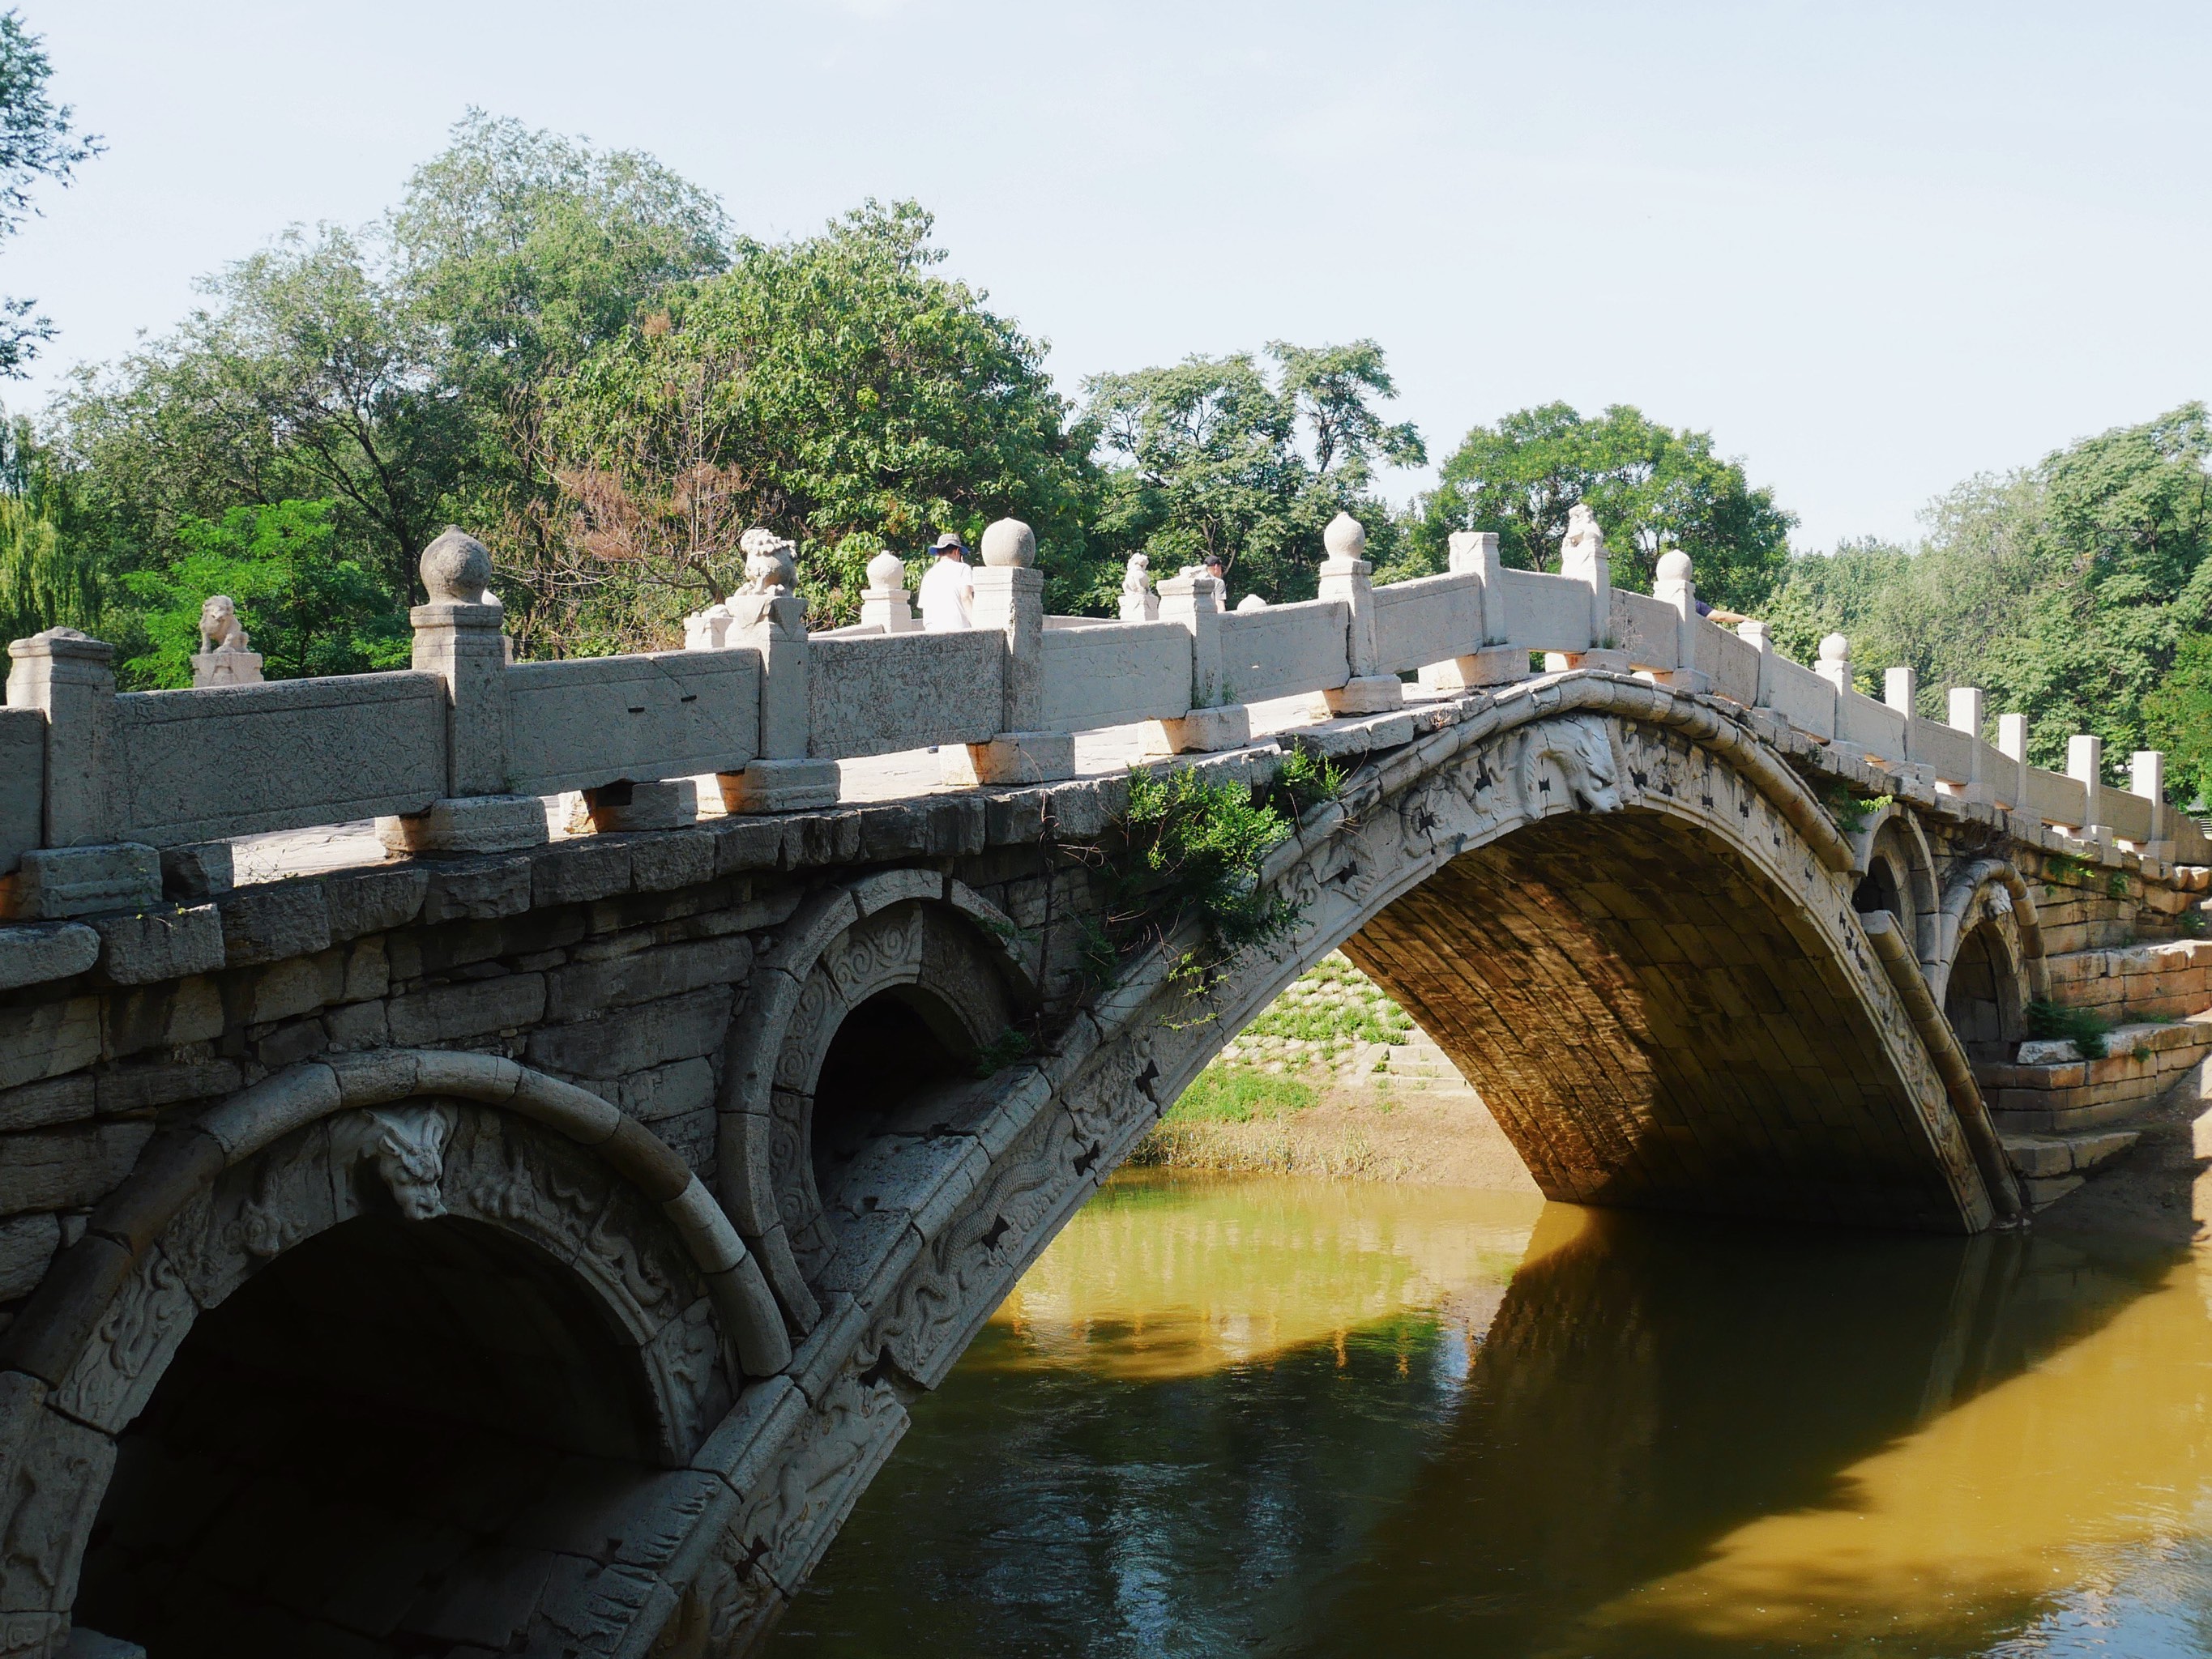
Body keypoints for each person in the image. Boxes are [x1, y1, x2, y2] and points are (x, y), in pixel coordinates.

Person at [916, 531, 974, 632]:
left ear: (938, 553)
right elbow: (966, 598)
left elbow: (924, 607)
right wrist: (977, 625)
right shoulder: (963, 569)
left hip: (932, 633)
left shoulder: (929, 575)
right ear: (957, 552)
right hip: (958, 631)